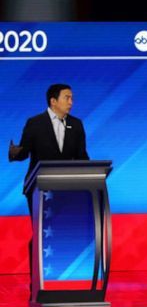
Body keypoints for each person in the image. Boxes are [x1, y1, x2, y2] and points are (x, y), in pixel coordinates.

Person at [8, 83, 89, 211]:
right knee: (42, 230)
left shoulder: (76, 124)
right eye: (67, 98)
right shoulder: (34, 123)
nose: (71, 102)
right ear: (53, 101)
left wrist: (90, 174)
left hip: (68, 188)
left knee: (65, 229)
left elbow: (82, 156)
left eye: (72, 98)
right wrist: (14, 153)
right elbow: (24, 152)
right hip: (38, 187)